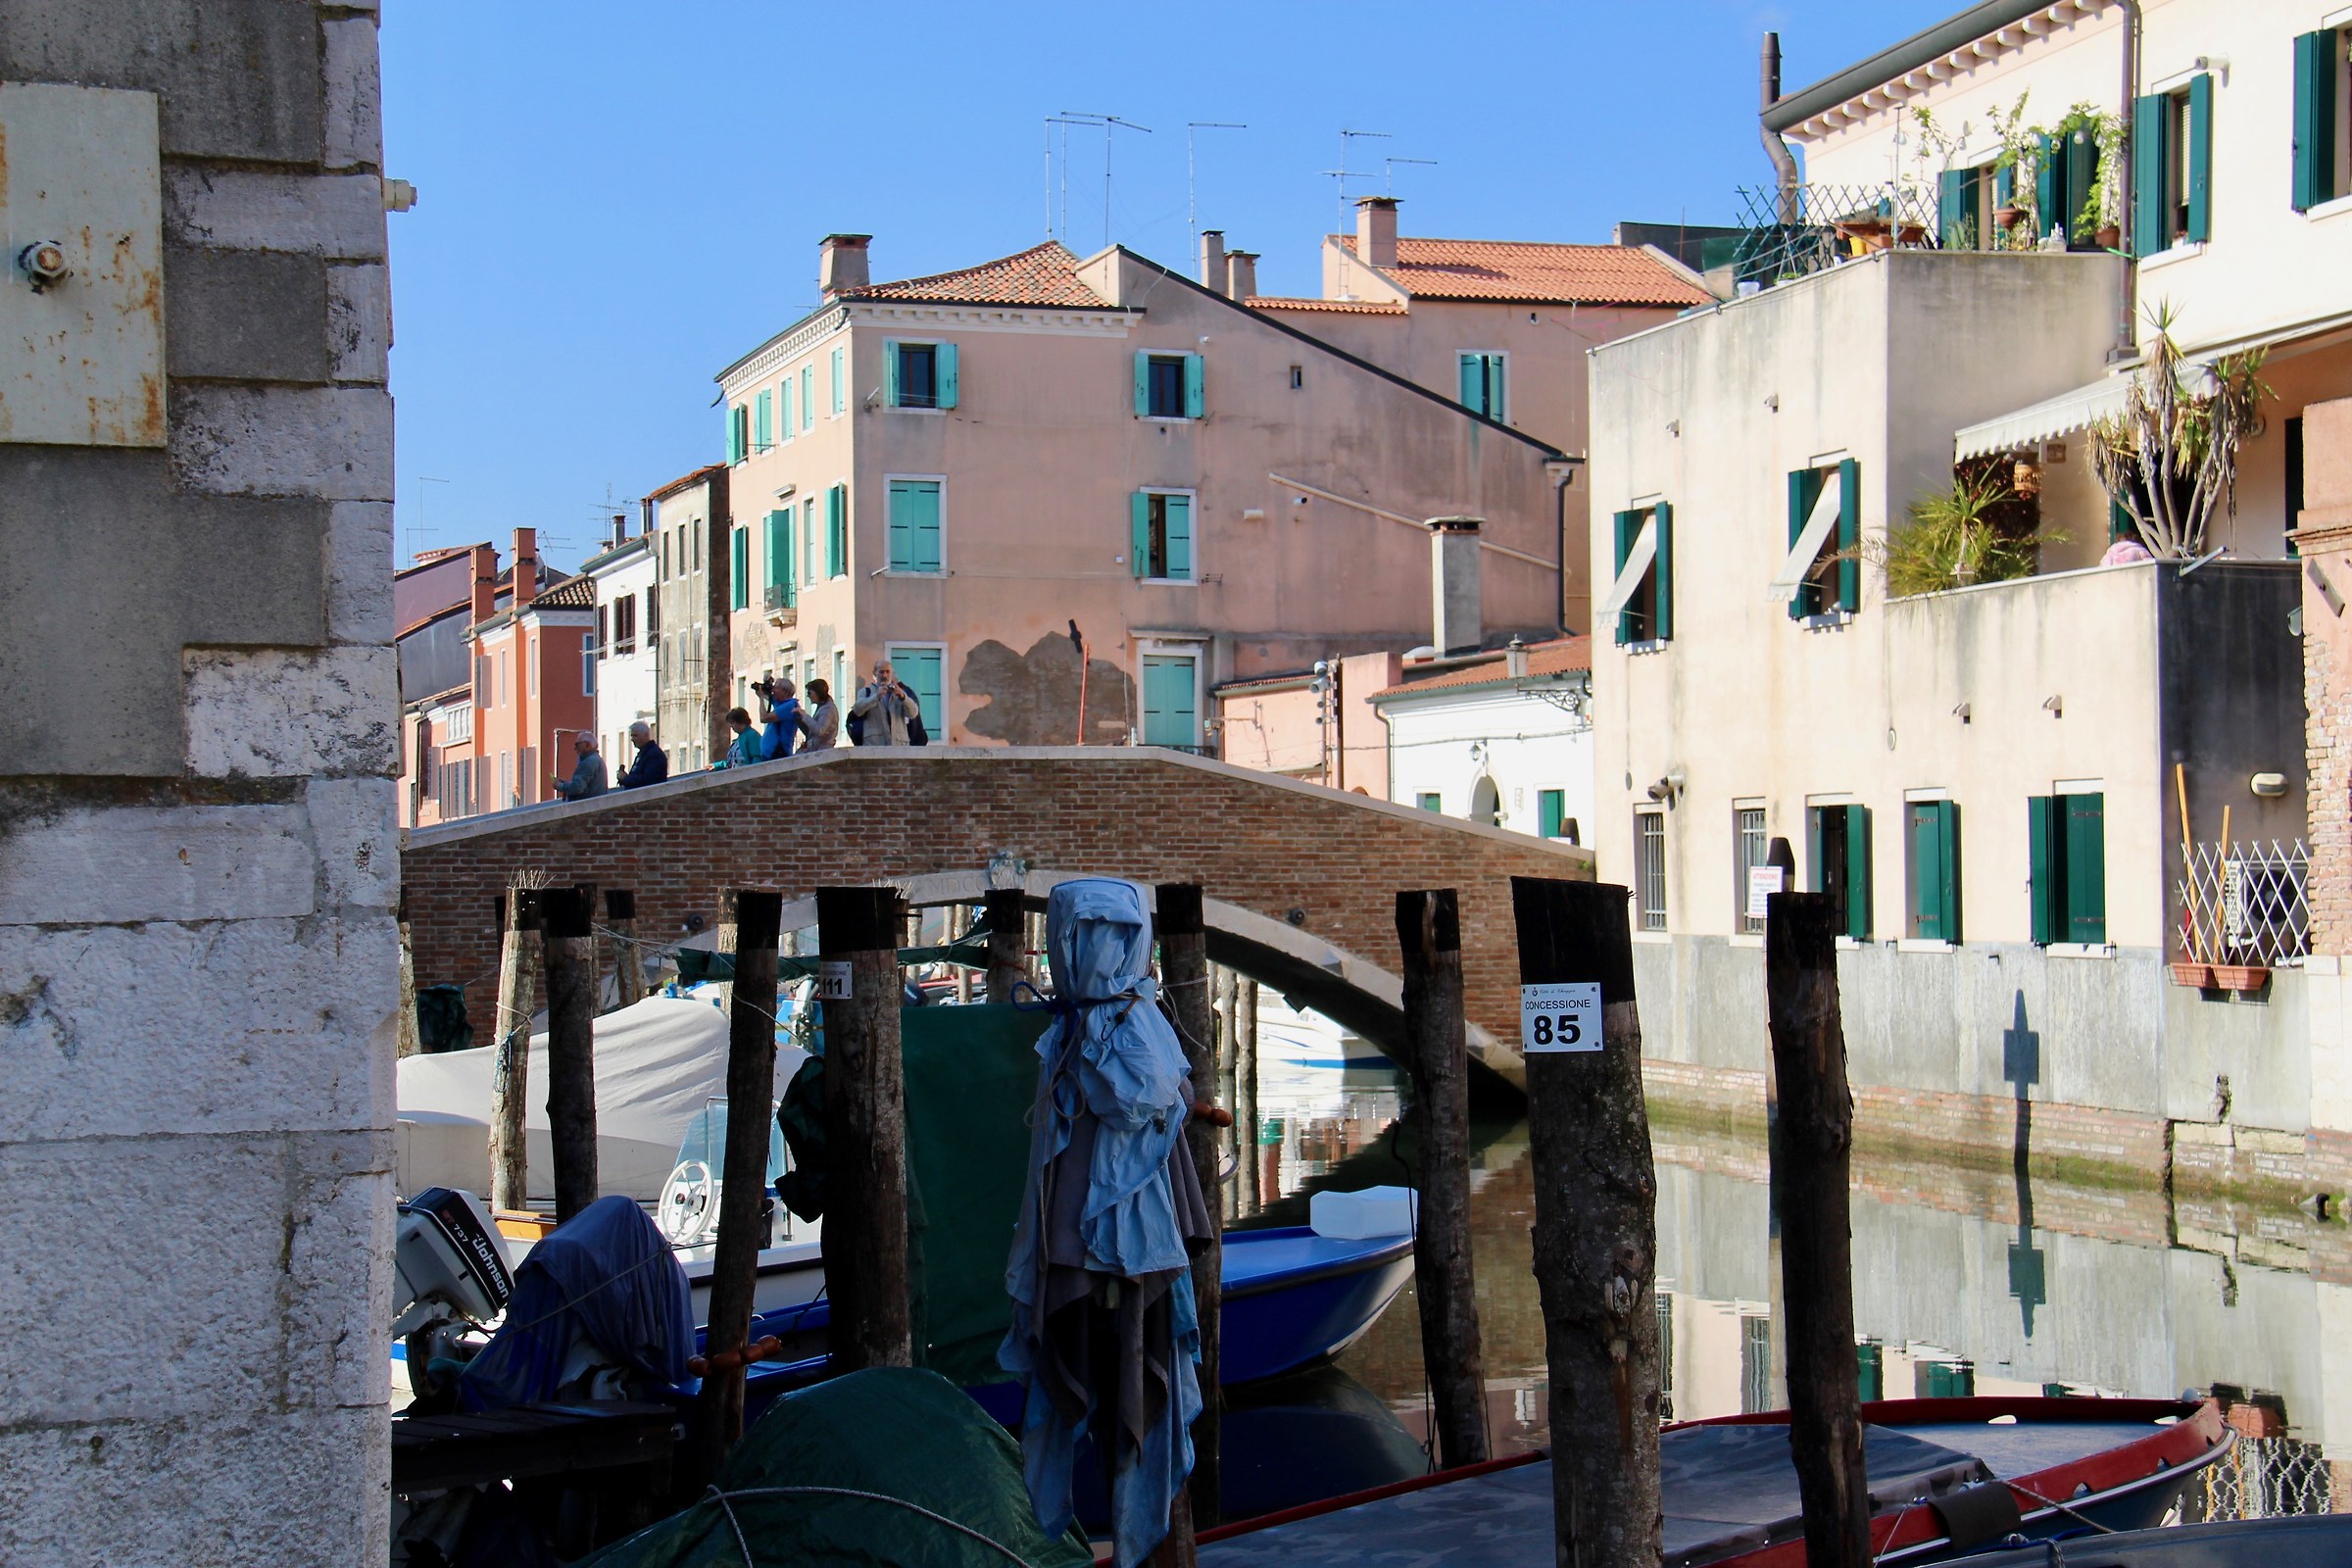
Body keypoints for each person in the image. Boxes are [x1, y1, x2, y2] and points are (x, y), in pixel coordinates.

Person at [851, 661, 918, 746]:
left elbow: (913, 713)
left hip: (898, 747)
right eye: (881, 672)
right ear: (874, 673)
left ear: (891, 673)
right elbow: (858, 710)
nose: (885, 675)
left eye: (887, 672)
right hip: (875, 746)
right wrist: (876, 697)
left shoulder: (900, 693)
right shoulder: (866, 692)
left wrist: (903, 697)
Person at [550, 733, 608, 801]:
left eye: (577, 744)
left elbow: (577, 787)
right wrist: (566, 784)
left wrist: (560, 786)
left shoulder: (589, 762)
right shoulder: (595, 759)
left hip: (587, 807)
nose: (575, 748)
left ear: (587, 745)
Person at [758, 677, 802, 761]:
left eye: (776, 688)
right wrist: (765, 686)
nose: (773, 690)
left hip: (778, 753)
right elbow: (769, 696)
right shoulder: (781, 703)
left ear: (785, 692)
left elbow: (764, 718)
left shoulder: (789, 705)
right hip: (771, 754)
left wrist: (761, 699)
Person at [617, 720, 668, 788]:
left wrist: (626, 778)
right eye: (631, 736)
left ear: (646, 735)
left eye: (635, 736)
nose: (632, 739)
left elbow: (647, 780)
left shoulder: (654, 755)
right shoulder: (644, 753)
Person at [799, 677, 840, 753]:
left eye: (809, 693)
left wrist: (804, 716)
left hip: (822, 752)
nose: (808, 696)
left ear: (817, 693)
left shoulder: (828, 709)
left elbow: (820, 730)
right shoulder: (823, 707)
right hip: (817, 750)